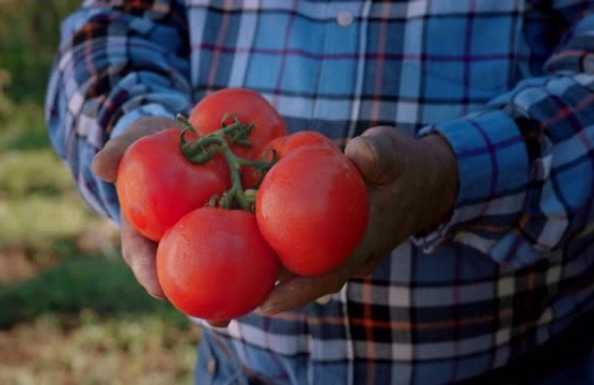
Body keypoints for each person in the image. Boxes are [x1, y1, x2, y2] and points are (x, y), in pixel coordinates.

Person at [45, 1, 594, 383]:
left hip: (530, 366)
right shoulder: (253, 160)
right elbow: (112, 28)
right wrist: (133, 127)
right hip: (237, 373)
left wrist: (455, 173)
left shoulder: (255, 167)